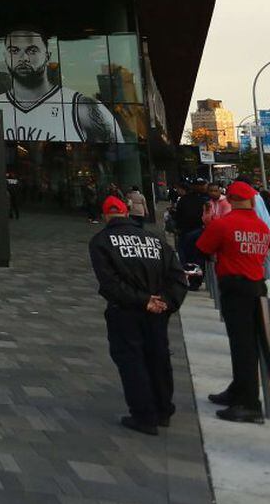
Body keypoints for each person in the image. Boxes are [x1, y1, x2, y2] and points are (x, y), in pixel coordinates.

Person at [88, 195, 187, 435]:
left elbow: (109, 283)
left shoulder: (101, 241)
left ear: (104, 216)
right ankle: (163, 409)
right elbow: (177, 276)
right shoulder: (155, 240)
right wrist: (164, 302)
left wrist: (143, 301)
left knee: (132, 360)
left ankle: (144, 415)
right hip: (157, 312)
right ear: (128, 212)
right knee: (158, 358)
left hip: (126, 310)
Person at [196, 181, 270, 423]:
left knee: (242, 346)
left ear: (231, 200)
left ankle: (248, 403)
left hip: (234, 289)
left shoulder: (223, 224)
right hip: (257, 287)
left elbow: (203, 248)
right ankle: (239, 390)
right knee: (252, 343)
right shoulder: (262, 227)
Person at [0, 26, 122, 142]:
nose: (23, 58)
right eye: (14, 51)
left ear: (48, 56)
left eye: (32, 50)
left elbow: (122, 157)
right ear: (5, 56)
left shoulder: (83, 108)